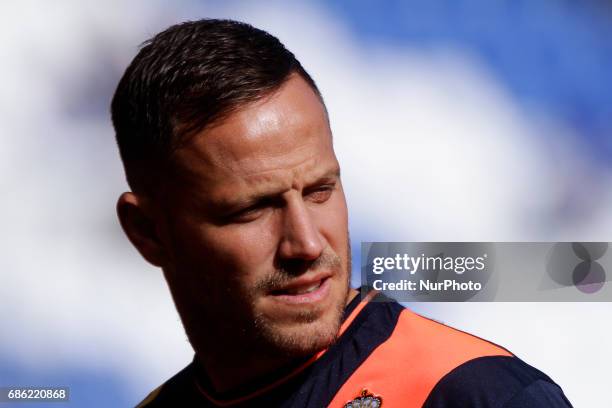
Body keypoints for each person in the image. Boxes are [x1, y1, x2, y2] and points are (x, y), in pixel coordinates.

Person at [110, 19, 572, 407]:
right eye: (252, 209)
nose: (307, 244)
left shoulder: (474, 393)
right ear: (147, 232)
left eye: (319, 191)